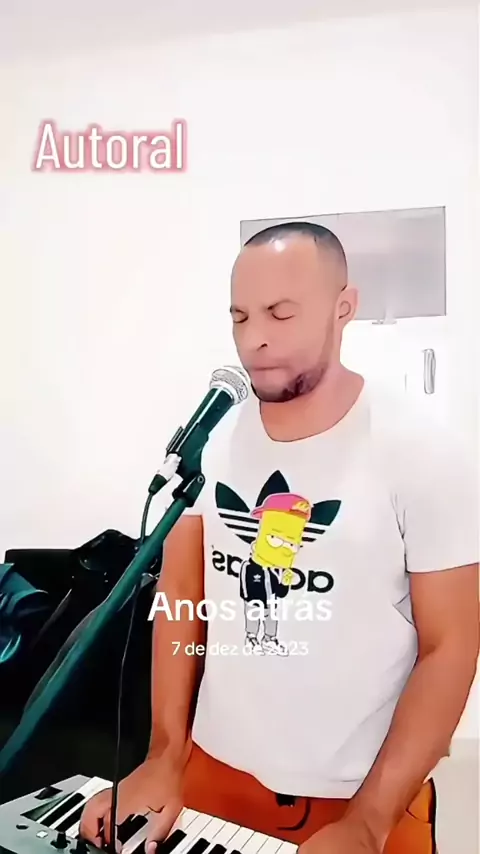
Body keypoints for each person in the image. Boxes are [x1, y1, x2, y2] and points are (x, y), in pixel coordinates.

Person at [79, 222, 479, 854]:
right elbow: (182, 600)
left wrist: (370, 821)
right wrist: (164, 756)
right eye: (239, 317)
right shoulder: (210, 444)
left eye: (280, 314)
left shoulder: (423, 453)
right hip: (212, 775)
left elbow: (450, 647)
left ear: (344, 308)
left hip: (363, 801)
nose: (255, 339)